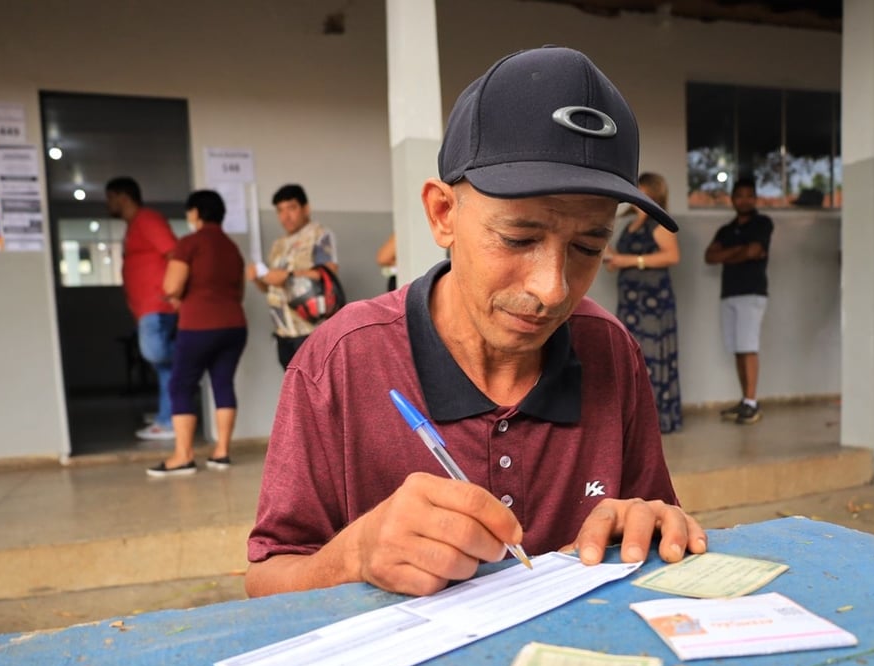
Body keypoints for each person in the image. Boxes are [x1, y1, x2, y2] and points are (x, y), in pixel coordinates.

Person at [245, 46, 707, 599]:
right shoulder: (341, 359)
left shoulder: (610, 349)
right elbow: (266, 582)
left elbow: (652, 520)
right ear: (443, 213)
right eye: (519, 238)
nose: (552, 288)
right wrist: (356, 554)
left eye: (588, 246)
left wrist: (649, 523)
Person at [146, 190, 248, 477]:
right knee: (223, 384)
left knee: (181, 386)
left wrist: (177, 295)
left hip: (198, 325)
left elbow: (171, 286)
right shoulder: (232, 248)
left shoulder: (189, 243)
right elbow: (239, 293)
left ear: (195, 213)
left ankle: (183, 456)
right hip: (234, 325)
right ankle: (222, 452)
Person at [603, 172, 682, 433]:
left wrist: (631, 261)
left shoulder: (659, 224)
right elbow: (621, 261)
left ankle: (658, 420)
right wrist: (612, 259)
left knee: (651, 356)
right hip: (631, 302)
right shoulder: (629, 225)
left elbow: (672, 256)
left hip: (653, 304)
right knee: (631, 357)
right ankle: (636, 423)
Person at [105, 177, 179, 440]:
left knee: (158, 355)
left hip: (159, 306)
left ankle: (190, 362)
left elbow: (175, 254)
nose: (108, 204)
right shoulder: (134, 226)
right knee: (163, 368)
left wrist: (173, 292)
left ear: (123, 197)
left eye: (110, 198)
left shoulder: (148, 220)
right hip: (147, 309)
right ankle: (167, 417)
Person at [703, 179, 773, 424]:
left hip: (751, 293)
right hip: (729, 294)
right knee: (737, 348)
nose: (744, 200)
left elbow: (755, 251)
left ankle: (752, 403)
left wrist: (729, 254)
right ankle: (745, 400)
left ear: (755, 198)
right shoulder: (726, 229)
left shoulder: (762, 223)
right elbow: (710, 257)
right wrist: (741, 252)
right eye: (739, 195)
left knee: (748, 347)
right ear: (732, 199)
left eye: (748, 195)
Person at [250, 184, 339, 368]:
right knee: (292, 389)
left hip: (310, 329)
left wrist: (289, 275)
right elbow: (268, 287)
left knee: (314, 388)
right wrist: (257, 278)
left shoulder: (319, 234)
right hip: (283, 330)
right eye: (280, 210)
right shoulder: (278, 245)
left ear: (306, 208)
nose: (285, 216)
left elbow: (329, 273)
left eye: (291, 208)